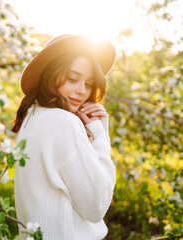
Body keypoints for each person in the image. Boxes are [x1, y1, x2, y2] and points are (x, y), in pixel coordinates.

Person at [12, 34, 117, 240]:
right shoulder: (62, 122)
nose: (81, 91)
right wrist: (101, 136)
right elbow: (97, 207)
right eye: (72, 79)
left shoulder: (33, 116)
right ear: (51, 75)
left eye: (88, 83)